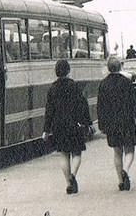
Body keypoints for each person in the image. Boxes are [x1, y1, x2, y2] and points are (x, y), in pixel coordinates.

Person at [42, 60, 92, 194]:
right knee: (76, 152)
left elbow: (49, 111)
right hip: (73, 124)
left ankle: (68, 182)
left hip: (58, 126)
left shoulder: (52, 89)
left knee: (63, 154)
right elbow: (83, 106)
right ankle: (73, 175)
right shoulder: (74, 86)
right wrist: (87, 123)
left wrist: (46, 130)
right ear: (68, 70)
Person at [97, 57, 136, 191]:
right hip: (127, 121)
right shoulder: (127, 83)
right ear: (120, 67)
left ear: (108, 68)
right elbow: (135, 104)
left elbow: (100, 107)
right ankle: (126, 170)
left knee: (117, 151)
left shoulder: (103, 84)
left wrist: (102, 125)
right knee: (129, 149)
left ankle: (120, 181)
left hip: (111, 124)